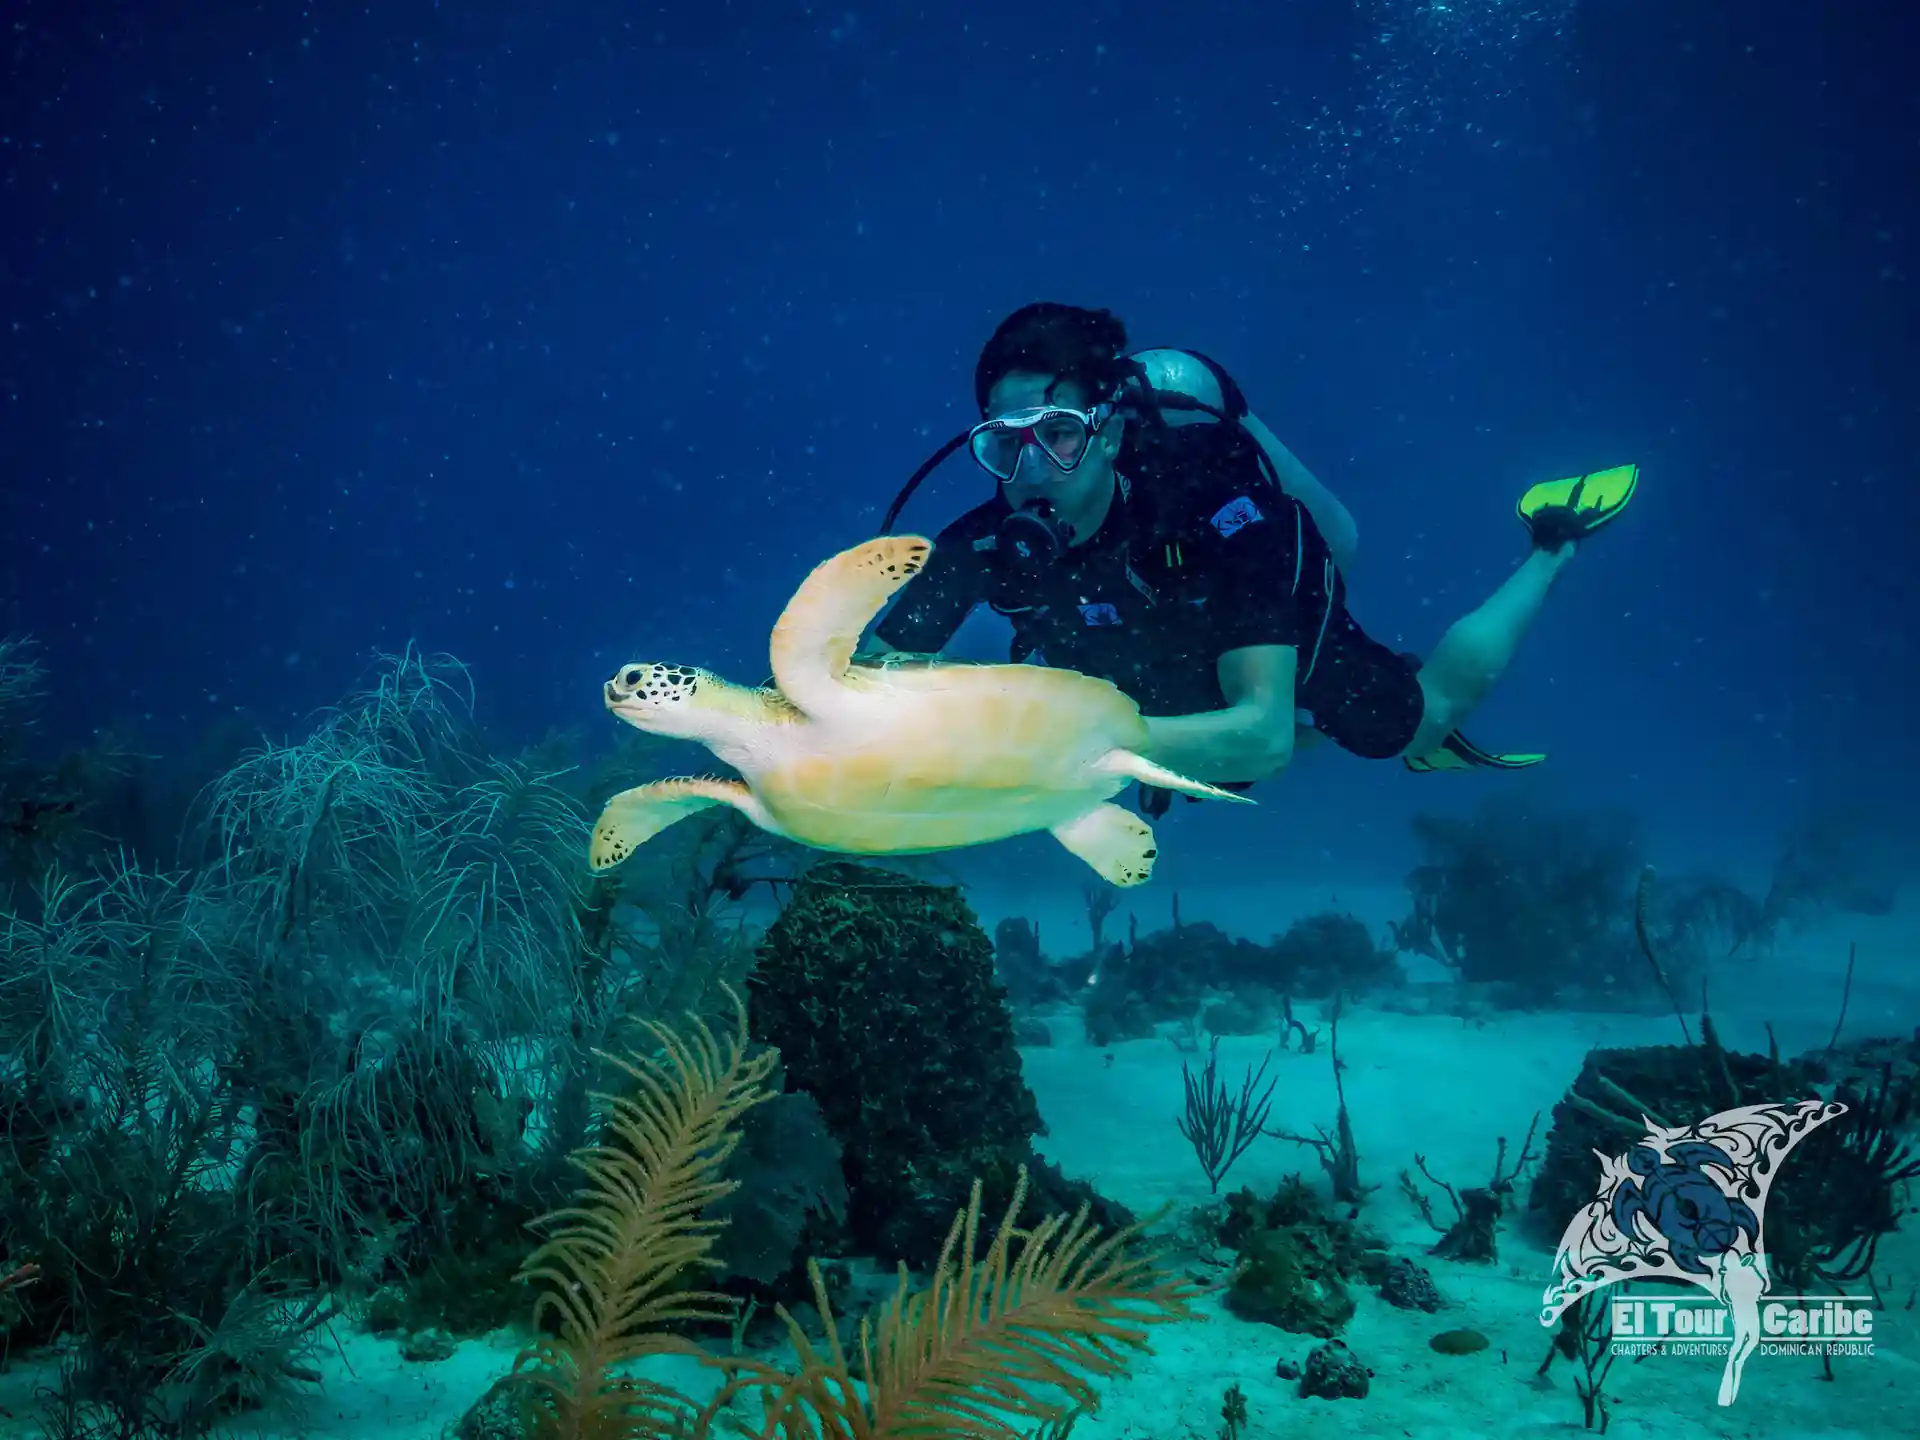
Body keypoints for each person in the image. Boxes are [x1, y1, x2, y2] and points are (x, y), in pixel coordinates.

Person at [865, 302, 1637, 811]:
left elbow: (1263, 740)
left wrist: (1056, 747)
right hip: (1154, 664)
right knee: (1210, 756)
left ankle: (1553, 543)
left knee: (1413, 725)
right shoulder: (982, 544)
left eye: (1058, 435)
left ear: (1109, 433)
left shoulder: (1221, 509)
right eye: (1004, 444)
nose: (1032, 469)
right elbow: (872, 678)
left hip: (1262, 605)